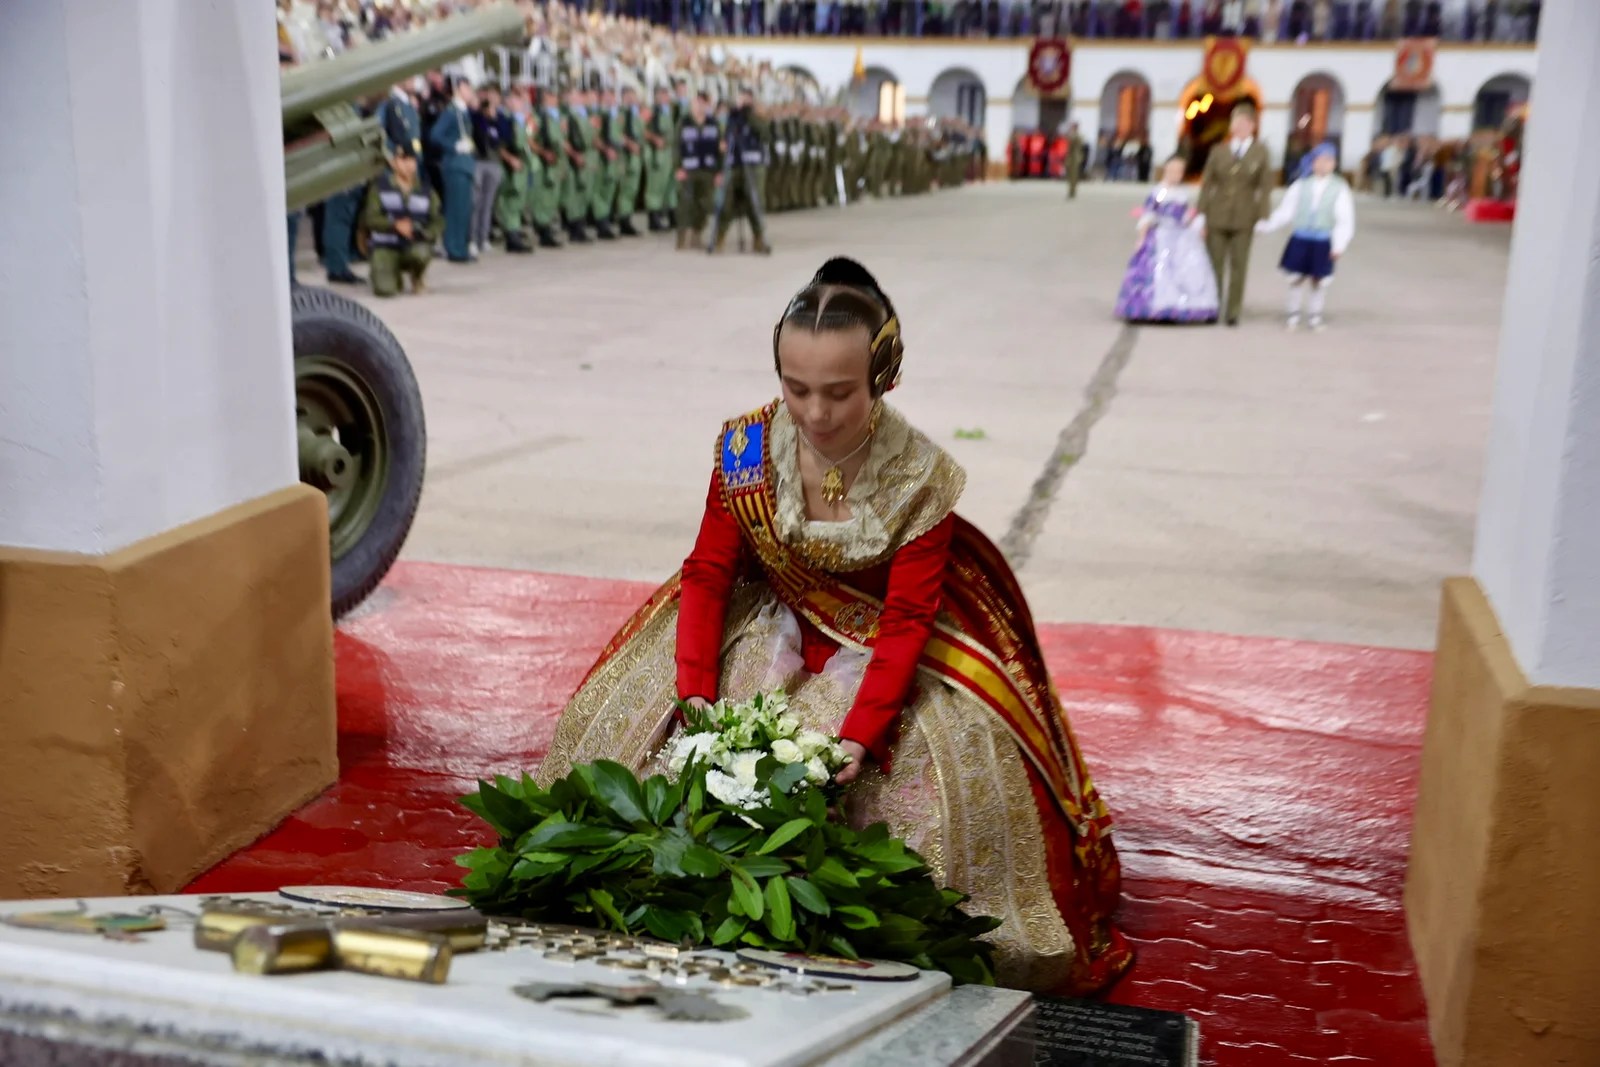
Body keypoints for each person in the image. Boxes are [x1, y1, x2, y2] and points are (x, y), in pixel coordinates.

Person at [538, 257, 1132, 996]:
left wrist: (860, 736)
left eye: (840, 392)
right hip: (770, 627)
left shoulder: (920, 476)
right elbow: (709, 573)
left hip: (880, 650)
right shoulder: (746, 449)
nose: (815, 413)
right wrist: (694, 693)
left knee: (922, 810)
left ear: (883, 374)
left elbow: (907, 618)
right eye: (796, 388)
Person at [1255, 142, 1355, 332]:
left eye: (1328, 161)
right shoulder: (1301, 185)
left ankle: (1315, 315)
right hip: (1300, 238)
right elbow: (1286, 211)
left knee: (1318, 280)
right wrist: (1266, 226)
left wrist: (1339, 245)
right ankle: (1293, 314)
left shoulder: (1339, 188)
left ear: (1334, 164)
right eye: (1320, 160)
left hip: (1323, 240)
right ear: (1313, 162)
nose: (1324, 165)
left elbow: (1345, 219)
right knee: (1296, 278)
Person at [1114, 155, 1219, 324]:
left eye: (1180, 171)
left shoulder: (1182, 193)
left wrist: (1196, 225)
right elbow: (1149, 214)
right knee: (1161, 270)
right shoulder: (1160, 192)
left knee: (1186, 269)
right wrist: (1141, 238)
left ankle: (1181, 306)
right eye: (1173, 171)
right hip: (1161, 235)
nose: (1176, 174)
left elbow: (1185, 215)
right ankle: (1156, 307)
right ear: (1166, 170)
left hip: (1181, 236)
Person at [1197, 102, 1273, 326]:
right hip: (1217, 215)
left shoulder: (1260, 152)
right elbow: (1207, 184)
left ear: (1252, 126)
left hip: (1244, 216)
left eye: (1244, 123)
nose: (1239, 127)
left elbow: (1265, 186)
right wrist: (1201, 213)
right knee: (1214, 264)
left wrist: (1263, 216)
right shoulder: (1219, 150)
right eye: (1236, 122)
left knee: (1239, 265)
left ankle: (1233, 310)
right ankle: (1212, 306)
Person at [361, 143, 440, 297]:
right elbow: (369, 218)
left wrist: (426, 234)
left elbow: (438, 220)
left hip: (413, 245)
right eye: (403, 160)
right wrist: (394, 225)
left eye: (411, 160)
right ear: (393, 163)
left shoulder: (426, 190)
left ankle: (417, 277)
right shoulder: (380, 188)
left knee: (421, 253)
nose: (408, 165)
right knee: (385, 291)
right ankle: (390, 274)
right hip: (385, 246)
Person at [708, 87, 772, 255]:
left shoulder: (758, 116)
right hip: (734, 163)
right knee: (726, 201)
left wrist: (749, 114)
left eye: (747, 99)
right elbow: (726, 136)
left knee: (754, 201)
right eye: (741, 98)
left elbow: (765, 135)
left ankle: (759, 238)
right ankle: (719, 237)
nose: (743, 102)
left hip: (754, 164)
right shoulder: (732, 117)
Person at [427, 76, 477, 263]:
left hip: (464, 165)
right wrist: (453, 146)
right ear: (458, 90)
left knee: (463, 209)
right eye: (466, 88)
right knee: (455, 209)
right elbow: (435, 135)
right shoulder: (451, 111)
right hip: (455, 164)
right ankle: (454, 248)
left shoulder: (463, 111)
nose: (469, 92)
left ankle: (460, 247)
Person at [675, 91, 720, 251]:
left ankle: (696, 234)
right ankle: (681, 239)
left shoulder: (713, 123)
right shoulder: (684, 122)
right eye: (697, 102)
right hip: (688, 169)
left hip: (708, 170)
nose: (700, 106)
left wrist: (719, 172)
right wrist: (677, 167)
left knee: (705, 204)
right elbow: (676, 146)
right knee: (685, 204)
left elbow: (719, 148)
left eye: (703, 103)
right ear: (692, 104)